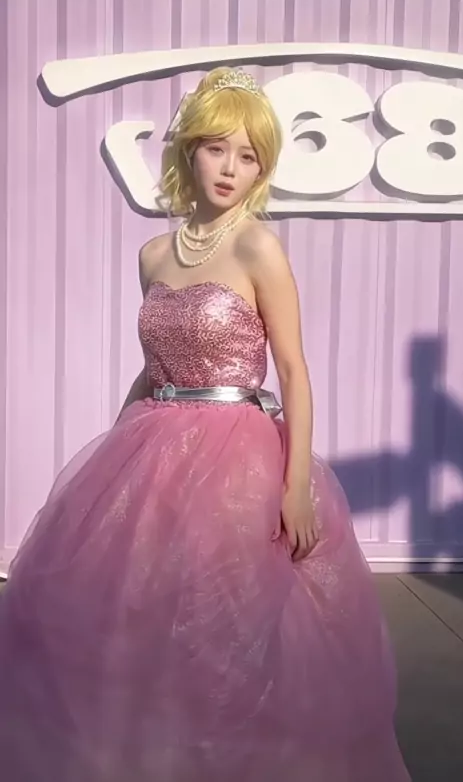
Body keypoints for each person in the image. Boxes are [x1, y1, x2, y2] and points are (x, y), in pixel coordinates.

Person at [0, 67, 411, 781]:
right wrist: (113, 461)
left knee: (227, 623)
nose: (230, 168)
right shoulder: (154, 255)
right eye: (217, 148)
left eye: (248, 156)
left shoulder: (257, 247)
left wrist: (295, 486)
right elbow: (152, 368)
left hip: (239, 455)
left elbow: (294, 371)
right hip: (152, 443)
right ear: (189, 150)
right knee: (141, 619)